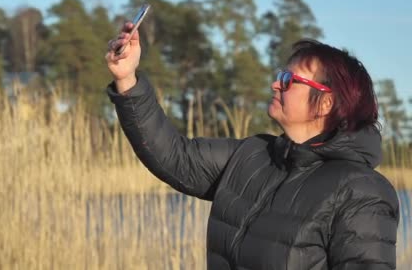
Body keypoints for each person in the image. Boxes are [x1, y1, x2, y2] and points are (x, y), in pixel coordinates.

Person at [105, 22, 400, 269]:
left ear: (325, 102)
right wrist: (127, 79)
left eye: (288, 79)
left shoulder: (362, 192)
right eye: (279, 76)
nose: (275, 84)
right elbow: (174, 156)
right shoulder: (252, 155)